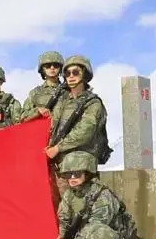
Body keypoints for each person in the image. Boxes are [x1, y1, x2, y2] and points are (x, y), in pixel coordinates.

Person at [39, 152, 134, 239]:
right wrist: (62, 237)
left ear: (87, 173)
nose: (72, 178)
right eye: (68, 174)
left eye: (77, 174)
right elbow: (64, 218)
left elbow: (95, 226)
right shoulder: (70, 195)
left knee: (99, 231)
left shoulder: (102, 195)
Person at [44, 54, 110, 197]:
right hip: (59, 166)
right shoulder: (61, 102)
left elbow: (85, 131)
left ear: (84, 74)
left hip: (80, 167)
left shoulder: (93, 103)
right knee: (61, 212)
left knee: (80, 210)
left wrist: (58, 148)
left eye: (75, 72)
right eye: (67, 73)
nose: (71, 76)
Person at [20, 50, 65, 123]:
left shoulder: (68, 91)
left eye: (56, 65)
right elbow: (22, 118)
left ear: (61, 69)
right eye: (48, 66)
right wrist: (37, 111)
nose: (52, 68)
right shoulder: (35, 93)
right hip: (41, 131)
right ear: (42, 69)